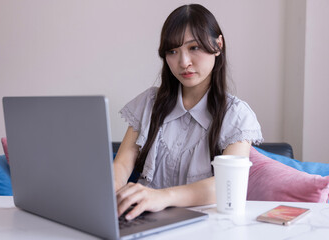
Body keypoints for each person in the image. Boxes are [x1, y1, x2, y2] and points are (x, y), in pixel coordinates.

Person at [113, 4, 263, 221]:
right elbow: (122, 165)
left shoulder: (236, 115)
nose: (183, 63)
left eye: (194, 48)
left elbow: (227, 185)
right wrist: (113, 196)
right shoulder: (149, 103)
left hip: (206, 226)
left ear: (218, 45)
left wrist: (161, 197)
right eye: (173, 51)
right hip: (141, 220)